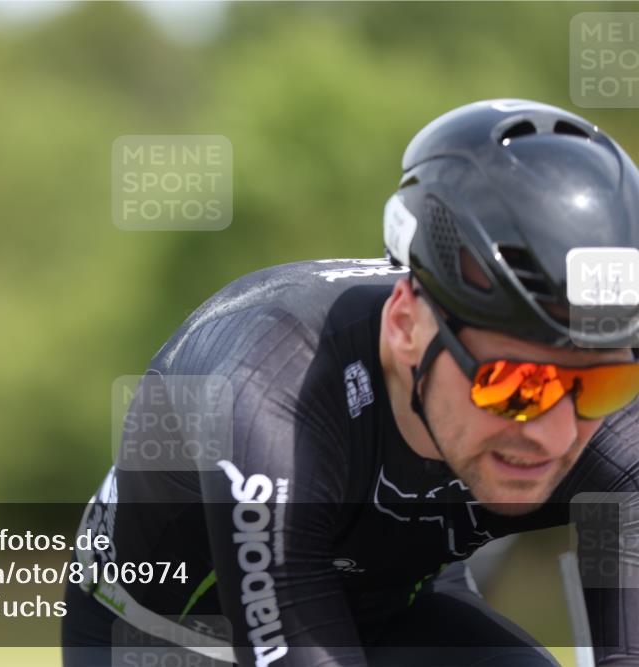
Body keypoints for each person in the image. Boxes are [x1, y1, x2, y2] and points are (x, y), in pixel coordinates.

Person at [62, 99, 639, 667]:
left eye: (602, 387)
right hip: (163, 635)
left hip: (391, 611)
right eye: (515, 384)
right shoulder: (272, 393)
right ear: (405, 324)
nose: (556, 435)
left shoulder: (613, 444)